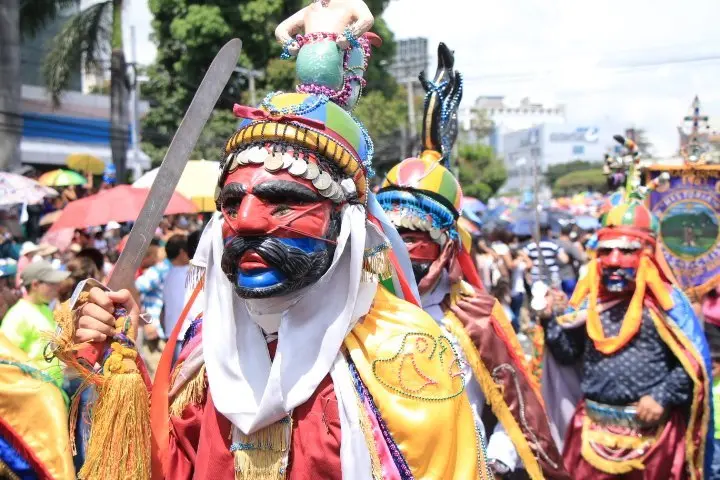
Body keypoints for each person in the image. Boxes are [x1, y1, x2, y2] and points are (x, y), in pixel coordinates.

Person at [54, 34, 495, 480]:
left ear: (343, 226)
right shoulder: (206, 351)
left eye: (282, 203)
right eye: (230, 204)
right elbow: (170, 465)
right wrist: (118, 363)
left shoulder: (406, 353)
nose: (244, 221)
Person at [376, 43, 567, 480]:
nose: (400, 252)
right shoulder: (358, 309)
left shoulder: (476, 317)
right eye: (391, 238)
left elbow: (513, 406)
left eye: (413, 239)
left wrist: (499, 458)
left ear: (447, 248)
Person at [541, 199, 713, 478]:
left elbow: (691, 364)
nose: (614, 261)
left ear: (647, 254)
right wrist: (549, 319)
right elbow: (568, 354)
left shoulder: (668, 304)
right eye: (606, 250)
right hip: (591, 436)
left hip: (654, 441)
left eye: (627, 250)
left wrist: (662, 395)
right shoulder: (590, 305)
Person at [0, 260, 69, 385]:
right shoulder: (17, 315)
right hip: (34, 393)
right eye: (52, 283)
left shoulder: (45, 309)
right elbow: (6, 359)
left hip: (52, 388)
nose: (57, 287)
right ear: (35, 284)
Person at [162, 234, 190, 362]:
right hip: (187, 335)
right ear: (181, 252)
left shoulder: (167, 275)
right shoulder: (190, 272)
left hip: (171, 335)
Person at [523, 222, 568, 288]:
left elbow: (523, 257)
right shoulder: (554, 246)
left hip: (536, 276)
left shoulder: (530, 246)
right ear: (549, 232)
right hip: (552, 276)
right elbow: (565, 259)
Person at [556, 224, 587, 298]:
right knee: (570, 298)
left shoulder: (554, 242)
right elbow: (580, 257)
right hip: (568, 276)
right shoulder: (569, 244)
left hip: (555, 276)